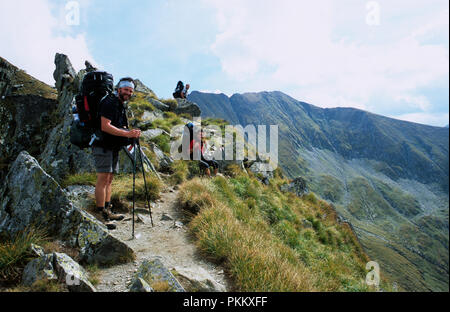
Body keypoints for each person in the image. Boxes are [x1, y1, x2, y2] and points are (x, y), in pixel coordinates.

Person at [92, 77, 141, 229]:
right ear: (119, 89)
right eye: (126, 90)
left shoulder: (120, 105)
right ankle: (101, 214)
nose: (128, 93)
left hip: (113, 146)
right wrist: (127, 134)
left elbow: (120, 126)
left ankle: (108, 209)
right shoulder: (109, 102)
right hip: (102, 144)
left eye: (131, 91)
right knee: (103, 178)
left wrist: (131, 133)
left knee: (109, 179)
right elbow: (105, 126)